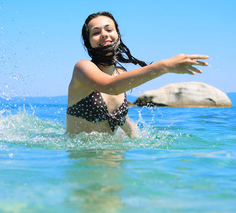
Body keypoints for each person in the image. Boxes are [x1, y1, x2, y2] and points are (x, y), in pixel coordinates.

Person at [66, 12, 209, 138]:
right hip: (83, 164)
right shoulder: (82, 68)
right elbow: (110, 86)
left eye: (109, 29)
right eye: (96, 32)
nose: (104, 34)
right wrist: (165, 66)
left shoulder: (121, 73)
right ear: (88, 42)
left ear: (118, 36)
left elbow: (121, 117)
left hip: (116, 164)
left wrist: (137, 138)